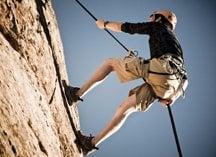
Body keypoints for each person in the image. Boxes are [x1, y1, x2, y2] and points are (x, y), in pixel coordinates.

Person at [66, 10, 188, 156]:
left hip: (162, 69)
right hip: (173, 84)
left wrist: (104, 24)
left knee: (110, 63)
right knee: (125, 108)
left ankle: (75, 94)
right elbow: (185, 78)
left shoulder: (158, 27)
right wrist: (172, 98)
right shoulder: (175, 44)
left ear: (158, 18)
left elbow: (128, 27)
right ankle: (90, 144)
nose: (150, 18)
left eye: (152, 16)